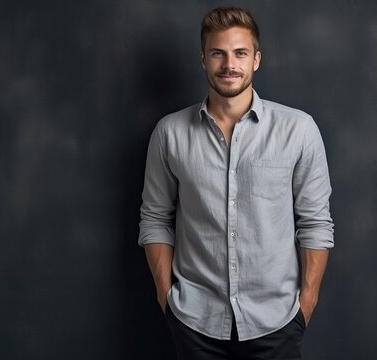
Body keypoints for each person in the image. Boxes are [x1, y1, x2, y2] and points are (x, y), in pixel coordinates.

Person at [138, 6, 334, 360]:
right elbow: (154, 218)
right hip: (195, 323)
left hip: (277, 324)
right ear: (203, 59)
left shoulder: (299, 130)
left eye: (240, 53)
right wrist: (166, 297)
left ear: (256, 59)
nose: (229, 64)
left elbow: (316, 223)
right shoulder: (170, 133)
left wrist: (306, 304)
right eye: (218, 53)